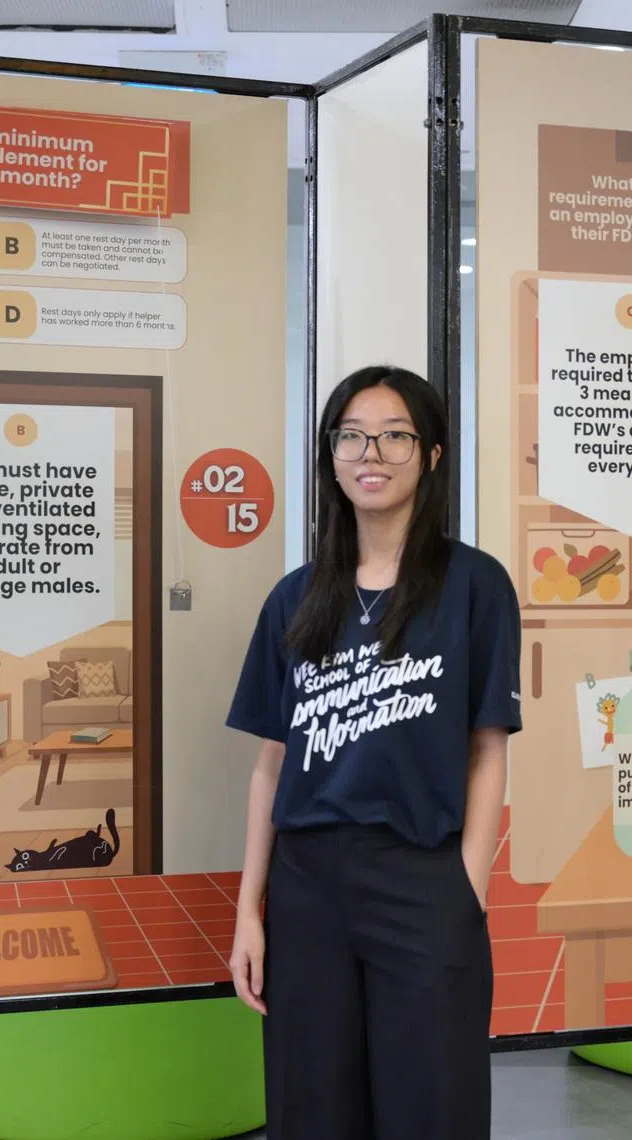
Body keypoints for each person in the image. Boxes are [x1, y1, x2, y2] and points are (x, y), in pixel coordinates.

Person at [226, 365, 521, 1140]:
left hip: (421, 876)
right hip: (308, 886)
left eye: (396, 435)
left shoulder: (475, 587)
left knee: (433, 1104)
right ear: (331, 455)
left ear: (431, 456)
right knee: (310, 1107)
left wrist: (468, 888)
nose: (373, 453)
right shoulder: (295, 598)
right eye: (353, 435)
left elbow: (488, 748)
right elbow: (271, 765)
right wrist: (249, 911)